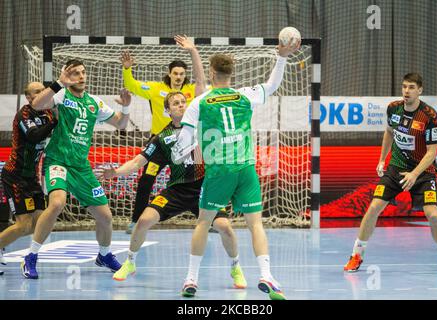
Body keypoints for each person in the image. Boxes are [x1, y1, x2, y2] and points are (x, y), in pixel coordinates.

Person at [171, 39, 300, 300]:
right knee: (255, 224)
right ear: (232, 74)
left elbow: (184, 138)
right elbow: (272, 85)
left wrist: (178, 155)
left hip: (220, 172)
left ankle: (191, 279)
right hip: (246, 168)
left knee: (204, 223)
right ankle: (266, 275)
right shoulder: (245, 95)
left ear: (211, 73)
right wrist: (283, 56)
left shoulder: (200, 102)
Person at [97, 92, 247, 289]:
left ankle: (236, 267)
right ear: (167, 111)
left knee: (225, 228)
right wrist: (114, 172)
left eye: (183, 102)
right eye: (176, 103)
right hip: (176, 190)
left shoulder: (202, 128)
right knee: (143, 221)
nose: (181, 105)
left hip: (205, 188)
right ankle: (130, 262)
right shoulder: (162, 138)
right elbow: (137, 162)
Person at [21, 59, 133, 279]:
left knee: (105, 217)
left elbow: (121, 124)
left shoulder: (94, 103)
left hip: (81, 167)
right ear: (67, 76)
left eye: (83, 72)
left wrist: (126, 106)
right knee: (57, 203)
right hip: (58, 161)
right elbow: (36, 104)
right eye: (75, 73)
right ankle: (31, 256)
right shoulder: (62, 95)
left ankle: (104, 255)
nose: (80, 76)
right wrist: (58, 83)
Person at [344, 73, 437, 272]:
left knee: (433, 215)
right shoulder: (394, 108)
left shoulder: (429, 116)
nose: (406, 91)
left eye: (411, 87)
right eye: (404, 87)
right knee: (374, 207)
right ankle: (356, 255)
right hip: (396, 168)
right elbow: (389, 132)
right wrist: (382, 159)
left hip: (423, 172)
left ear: (420, 90)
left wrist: (414, 175)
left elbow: (431, 152)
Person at [121, 35, 206, 234]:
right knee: (146, 180)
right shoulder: (155, 89)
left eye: (182, 74)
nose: (178, 76)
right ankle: (136, 220)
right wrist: (127, 69)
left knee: (200, 179)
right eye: (175, 73)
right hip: (160, 143)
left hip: (188, 144)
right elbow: (132, 85)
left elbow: (203, 82)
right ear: (169, 73)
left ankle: (208, 218)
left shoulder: (191, 92)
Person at [0, 82, 57, 275]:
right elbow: (33, 136)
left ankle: (28, 259)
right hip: (14, 176)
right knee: (23, 225)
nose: (42, 93)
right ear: (29, 97)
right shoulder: (25, 114)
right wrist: (54, 122)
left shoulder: (48, 113)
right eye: (37, 92)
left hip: (31, 177)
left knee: (41, 222)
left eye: (43, 90)